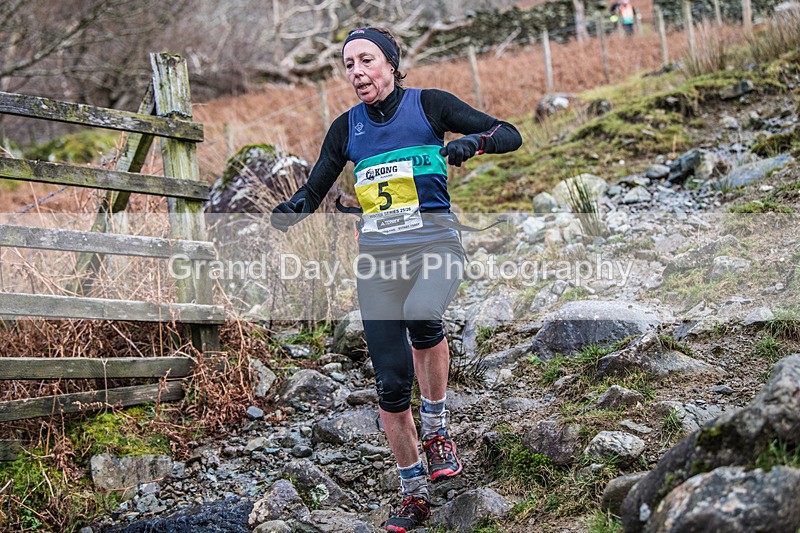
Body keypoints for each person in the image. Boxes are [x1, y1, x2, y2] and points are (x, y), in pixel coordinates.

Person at [271, 27, 521, 532]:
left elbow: (508, 133)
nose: (356, 72)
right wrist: (290, 210)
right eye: (348, 64)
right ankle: (413, 494)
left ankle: (437, 429)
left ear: (390, 63)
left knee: (422, 314)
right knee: (388, 382)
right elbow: (315, 188)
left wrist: (473, 142)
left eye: (366, 60)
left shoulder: (429, 106)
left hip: (436, 244)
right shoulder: (346, 128)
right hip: (379, 263)